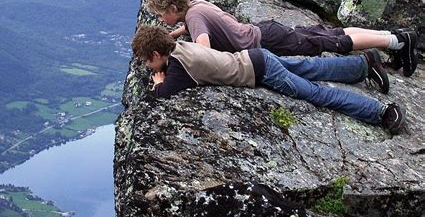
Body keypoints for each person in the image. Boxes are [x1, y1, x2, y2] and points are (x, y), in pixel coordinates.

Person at [132, 26, 406, 134]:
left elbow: (163, 93)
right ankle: (363, 64)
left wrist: (158, 80)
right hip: (256, 56)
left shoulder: (179, 67)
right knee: (310, 68)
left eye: (148, 61)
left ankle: (382, 112)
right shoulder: (178, 47)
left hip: (260, 71)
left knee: (316, 93)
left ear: (156, 53)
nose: (148, 66)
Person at [146, 0, 418, 78]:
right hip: (267, 32)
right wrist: (177, 34)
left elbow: (204, 51)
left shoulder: (194, 18)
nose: (161, 19)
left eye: (161, 14)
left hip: (270, 43)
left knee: (333, 43)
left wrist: (178, 54)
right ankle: (392, 37)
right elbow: (202, 24)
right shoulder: (196, 6)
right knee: (329, 33)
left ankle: (396, 42)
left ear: (171, 7)